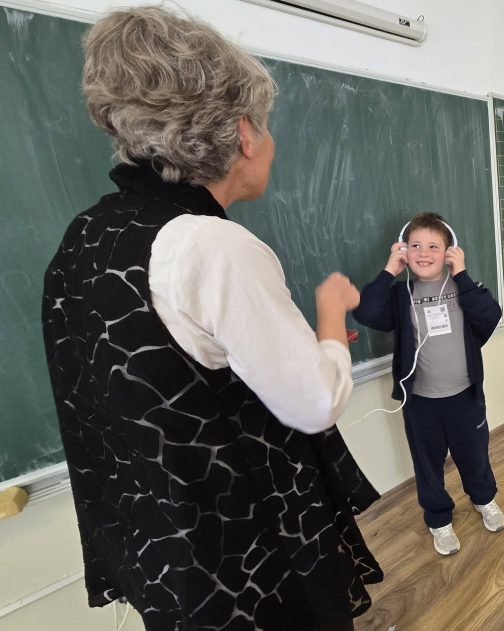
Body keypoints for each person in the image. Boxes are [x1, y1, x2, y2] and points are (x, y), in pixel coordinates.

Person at [41, 7, 380, 630]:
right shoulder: (210, 246)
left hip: (162, 543)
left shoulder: (85, 235)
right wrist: (331, 318)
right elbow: (314, 403)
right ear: (245, 133)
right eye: (267, 127)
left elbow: (170, 375)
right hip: (241, 554)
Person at [353, 212, 504, 556]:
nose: (424, 252)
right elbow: (366, 313)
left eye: (434, 246)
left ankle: (484, 499)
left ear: (449, 251)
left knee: (474, 455)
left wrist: (461, 274)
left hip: (465, 398)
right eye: (415, 245)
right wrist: (389, 271)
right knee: (428, 465)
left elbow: (489, 315)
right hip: (421, 402)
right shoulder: (399, 294)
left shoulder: (463, 288)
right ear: (403, 251)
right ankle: (439, 519)